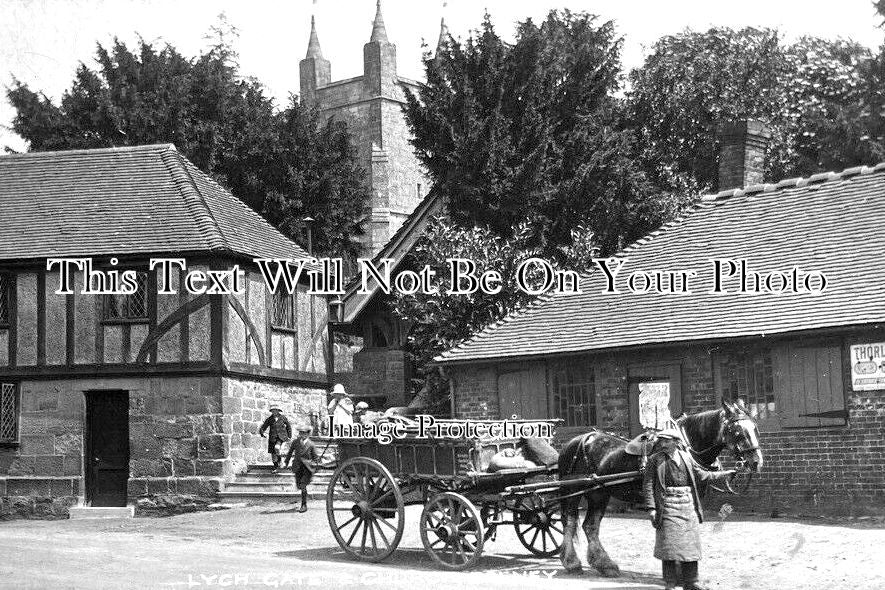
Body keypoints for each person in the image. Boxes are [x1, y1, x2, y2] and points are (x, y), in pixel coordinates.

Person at [642, 429, 735, 590]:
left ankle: (691, 582)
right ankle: (670, 583)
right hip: (667, 506)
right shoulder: (655, 460)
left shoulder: (687, 458)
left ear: (676, 442)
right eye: (661, 440)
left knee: (690, 545)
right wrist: (651, 508)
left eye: (666, 440)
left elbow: (702, 475)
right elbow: (648, 485)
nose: (662, 444)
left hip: (688, 504)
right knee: (669, 546)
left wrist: (724, 474)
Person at [284, 424, 321, 512]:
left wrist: (316, 466)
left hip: (307, 468)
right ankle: (304, 494)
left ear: (308, 434)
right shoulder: (295, 442)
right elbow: (290, 453)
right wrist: (286, 462)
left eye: (304, 433)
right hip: (297, 466)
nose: (302, 435)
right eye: (301, 433)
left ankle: (304, 505)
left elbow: (315, 457)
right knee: (299, 485)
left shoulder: (311, 444)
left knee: (303, 485)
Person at [258, 405, 291, 473]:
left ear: (278, 411)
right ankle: (276, 467)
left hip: (281, 437)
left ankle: (281, 460)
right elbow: (263, 427)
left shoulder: (283, 418)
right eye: (272, 410)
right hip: (272, 438)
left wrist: (289, 436)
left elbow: (288, 426)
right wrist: (262, 433)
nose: (274, 412)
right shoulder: (270, 419)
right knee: (273, 455)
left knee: (277, 448)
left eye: (275, 410)